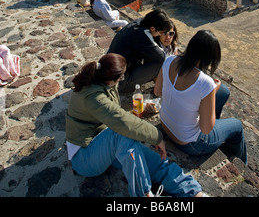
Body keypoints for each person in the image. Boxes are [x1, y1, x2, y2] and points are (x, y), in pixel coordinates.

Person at [65, 54, 207, 197]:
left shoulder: (104, 81)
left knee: (154, 160)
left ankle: (192, 191)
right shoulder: (94, 97)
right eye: (121, 78)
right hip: (83, 158)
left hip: (106, 143)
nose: (122, 80)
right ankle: (143, 193)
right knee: (123, 132)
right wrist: (157, 137)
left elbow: (119, 118)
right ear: (112, 78)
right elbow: (122, 121)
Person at [154, 30, 247, 164]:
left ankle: (218, 135)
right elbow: (206, 129)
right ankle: (241, 164)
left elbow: (157, 91)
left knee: (224, 92)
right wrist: (212, 93)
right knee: (237, 125)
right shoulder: (205, 83)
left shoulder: (169, 60)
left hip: (165, 124)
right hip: (188, 142)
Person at [108, 9, 173, 92]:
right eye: (160, 33)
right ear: (152, 28)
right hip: (119, 81)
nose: (159, 35)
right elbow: (162, 57)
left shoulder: (138, 23)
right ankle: (129, 86)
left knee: (152, 53)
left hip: (111, 72)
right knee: (160, 61)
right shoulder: (143, 34)